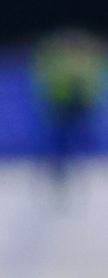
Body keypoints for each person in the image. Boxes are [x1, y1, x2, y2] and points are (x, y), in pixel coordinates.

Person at [32, 27, 104, 196]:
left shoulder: (88, 60)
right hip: (61, 107)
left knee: (79, 141)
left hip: (80, 106)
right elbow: (48, 83)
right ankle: (59, 171)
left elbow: (94, 84)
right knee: (61, 142)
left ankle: (74, 170)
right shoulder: (59, 61)